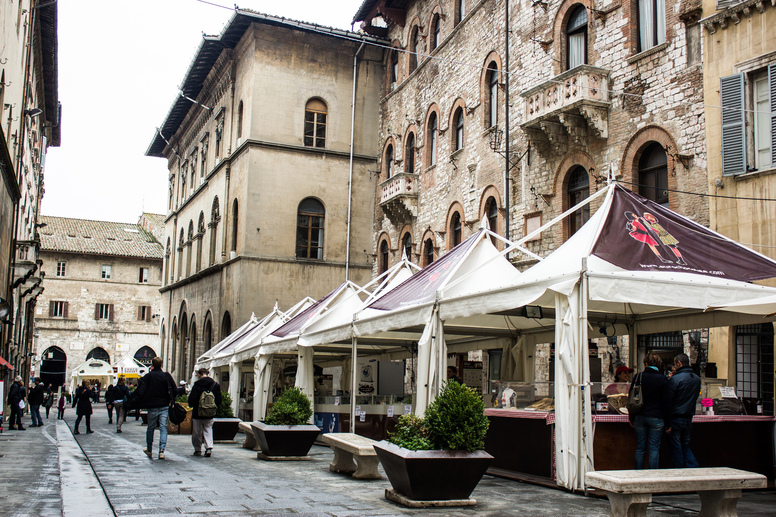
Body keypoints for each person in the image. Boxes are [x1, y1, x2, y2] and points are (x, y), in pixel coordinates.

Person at [128, 357, 178, 460]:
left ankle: (150, 449)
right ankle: (161, 450)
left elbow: (141, 390)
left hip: (152, 406)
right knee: (163, 428)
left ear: (152, 365)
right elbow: (174, 389)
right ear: (161, 364)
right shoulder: (166, 376)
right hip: (164, 405)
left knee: (150, 428)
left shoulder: (148, 377)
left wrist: (134, 401)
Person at [629, 351, 670, 469]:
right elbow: (666, 402)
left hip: (640, 415)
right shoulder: (663, 379)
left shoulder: (638, 376)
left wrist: (631, 417)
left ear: (646, 363)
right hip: (657, 416)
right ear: (658, 364)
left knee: (640, 448)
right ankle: (652, 476)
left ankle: (638, 473)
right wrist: (668, 422)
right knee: (654, 449)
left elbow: (631, 397)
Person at [667, 353, 701, 468]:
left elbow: (669, 399)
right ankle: (693, 467)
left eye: (675, 364)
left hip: (676, 417)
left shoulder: (676, 379)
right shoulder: (697, 379)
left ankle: (680, 470)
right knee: (685, 445)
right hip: (688, 417)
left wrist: (668, 420)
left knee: (676, 446)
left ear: (679, 363)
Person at [188, 368, 222, 457]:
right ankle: (209, 448)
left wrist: (193, 405)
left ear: (199, 375)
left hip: (197, 413)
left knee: (196, 432)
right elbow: (219, 399)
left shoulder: (197, 385)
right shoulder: (215, 385)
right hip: (210, 412)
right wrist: (213, 407)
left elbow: (192, 399)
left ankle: (197, 449)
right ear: (208, 374)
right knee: (208, 429)